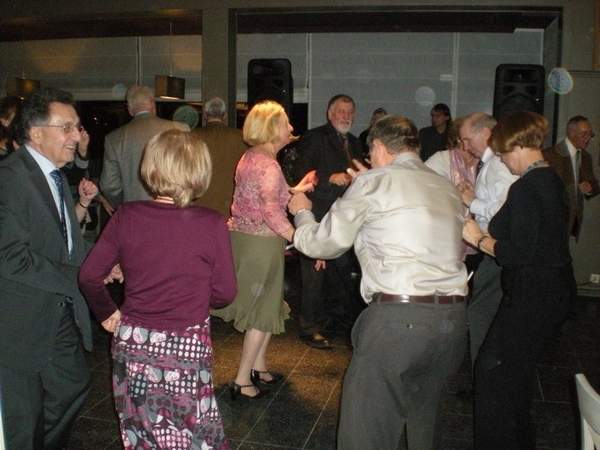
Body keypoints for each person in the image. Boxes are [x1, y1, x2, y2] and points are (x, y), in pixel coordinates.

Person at [288, 115, 468, 450]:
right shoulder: (446, 186)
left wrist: (302, 211)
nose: (370, 161)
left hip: (399, 324)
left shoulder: (373, 182)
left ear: (380, 147)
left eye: (371, 154)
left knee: (365, 433)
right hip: (453, 322)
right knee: (423, 424)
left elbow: (322, 244)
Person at [78, 129, 236, 450]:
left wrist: (108, 313)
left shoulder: (126, 216)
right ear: (198, 171)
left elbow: (89, 275)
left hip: (134, 341)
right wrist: (194, 294)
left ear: (152, 167)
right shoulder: (210, 222)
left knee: (141, 429)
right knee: (189, 428)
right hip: (185, 343)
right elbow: (226, 293)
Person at [462, 110, 576, 449]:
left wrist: (477, 239)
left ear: (516, 147)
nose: (501, 159)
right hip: (552, 293)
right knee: (516, 374)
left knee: (492, 374)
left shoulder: (528, 187)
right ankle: (520, 440)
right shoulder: (551, 179)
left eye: (501, 152)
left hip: (532, 297)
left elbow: (517, 252)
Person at [0, 87, 105, 449]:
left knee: (72, 385)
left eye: (76, 127)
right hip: (19, 320)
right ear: (35, 133)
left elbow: (67, 243)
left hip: (56, 310)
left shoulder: (56, 177)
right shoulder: (10, 179)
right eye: (66, 127)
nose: (76, 136)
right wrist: (78, 276)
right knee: (22, 419)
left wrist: (106, 261)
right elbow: (9, 255)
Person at [211, 100, 315, 399]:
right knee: (261, 311)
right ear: (273, 127)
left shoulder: (252, 157)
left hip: (247, 239)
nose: (291, 128)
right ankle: (243, 380)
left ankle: (258, 365)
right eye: (285, 122)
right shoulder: (267, 163)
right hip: (262, 243)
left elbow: (263, 197)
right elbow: (271, 212)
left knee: (267, 306)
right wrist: (303, 239)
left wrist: (295, 189)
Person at [294, 93, 364, 349]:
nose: (346, 116)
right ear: (329, 113)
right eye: (341, 111)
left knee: (340, 274)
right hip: (319, 214)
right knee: (315, 275)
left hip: (345, 218)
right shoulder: (315, 137)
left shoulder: (355, 144)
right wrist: (329, 177)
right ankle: (308, 327)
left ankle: (336, 321)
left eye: (350, 112)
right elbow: (302, 173)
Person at [458, 111, 517, 367]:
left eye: (467, 139)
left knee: (481, 313)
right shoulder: (489, 163)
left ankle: (481, 378)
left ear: (485, 133)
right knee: (484, 312)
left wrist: (473, 202)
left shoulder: (497, 164)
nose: (465, 146)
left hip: (496, 246)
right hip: (492, 246)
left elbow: (507, 208)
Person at [100, 84, 189, 209]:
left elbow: (109, 185)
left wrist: (123, 204)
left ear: (130, 110)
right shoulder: (180, 130)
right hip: (175, 209)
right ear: (153, 104)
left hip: (135, 212)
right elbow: (190, 173)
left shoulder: (114, 139)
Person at [542, 115, 600, 239]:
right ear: (571, 133)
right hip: (552, 221)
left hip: (574, 220)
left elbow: (594, 183)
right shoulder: (549, 155)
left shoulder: (586, 157)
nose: (588, 138)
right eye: (584, 134)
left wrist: (590, 187)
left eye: (590, 134)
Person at [193, 96, 248, 218]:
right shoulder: (239, 137)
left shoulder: (192, 137)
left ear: (205, 115)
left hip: (198, 205)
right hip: (229, 207)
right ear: (225, 115)